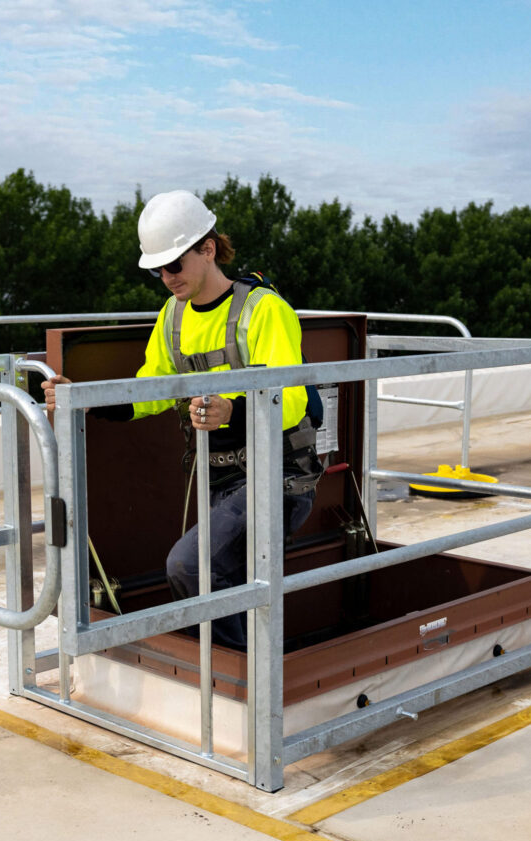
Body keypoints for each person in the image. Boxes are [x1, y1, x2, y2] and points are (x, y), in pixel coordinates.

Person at [42, 189, 322, 650]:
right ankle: (246, 670)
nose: (166, 278)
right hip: (223, 478)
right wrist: (87, 398)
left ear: (208, 249)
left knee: (190, 566)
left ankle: (241, 681)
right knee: (223, 578)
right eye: (158, 270)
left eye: (174, 265)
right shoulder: (172, 317)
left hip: (279, 476)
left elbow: (290, 398)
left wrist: (232, 409)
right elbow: (152, 387)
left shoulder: (264, 310)